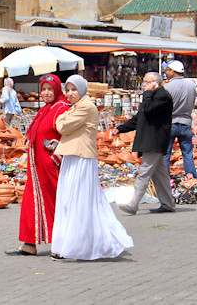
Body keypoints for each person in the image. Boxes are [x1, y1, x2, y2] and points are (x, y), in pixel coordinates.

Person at [51, 75, 133, 260]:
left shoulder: (86, 106)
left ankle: (78, 245)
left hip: (82, 159)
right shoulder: (76, 107)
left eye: (74, 89)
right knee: (68, 201)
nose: (70, 93)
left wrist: (63, 117)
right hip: (72, 157)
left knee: (79, 201)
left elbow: (62, 126)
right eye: (68, 90)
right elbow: (62, 122)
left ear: (82, 89)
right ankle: (69, 244)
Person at [5, 74, 69, 256]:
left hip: (49, 165)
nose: (46, 93)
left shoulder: (61, 108)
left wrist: (56, 148)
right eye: (43, 89)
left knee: (53, 204)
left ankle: (62, 242)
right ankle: (29, 243)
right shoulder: (48, 108)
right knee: (31, 203)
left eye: (50, 89)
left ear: (57, 90)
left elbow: (68, 132)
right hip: (37, 167)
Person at [115, 72, 176, 215]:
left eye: (147, 83)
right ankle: (168, 203)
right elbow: (139, 118)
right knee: (159, 175)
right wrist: (120, 129)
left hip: (155, 141)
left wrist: (147, 93)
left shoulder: (163, 97)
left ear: (156, 83)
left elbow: (149, 110)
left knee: (144, 172)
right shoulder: (152, 97)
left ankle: (133, 203)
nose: (144, 86)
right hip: (150, 140)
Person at [163, 60, 197, 178]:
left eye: (167, 70)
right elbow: (193, 103)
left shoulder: (167, 87)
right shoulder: (191, 85)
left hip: (169, 123)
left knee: (165, 154)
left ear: (172, 71)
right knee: (187, 154)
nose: (166, 72)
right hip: (186, 123)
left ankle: (165, 181)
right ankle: (191, 180)